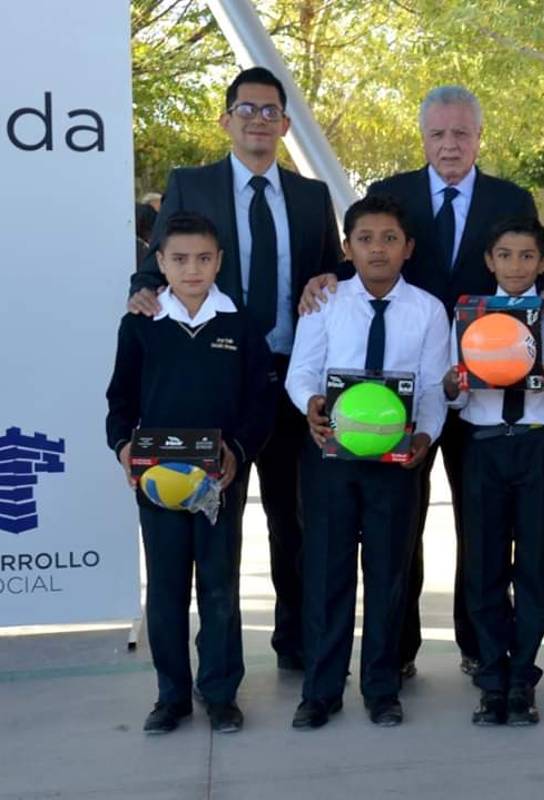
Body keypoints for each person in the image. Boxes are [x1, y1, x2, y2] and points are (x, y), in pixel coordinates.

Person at [300, 85, 544, 679]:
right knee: (402, 522)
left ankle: (481, 648)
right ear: (422, 137)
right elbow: (363, 256)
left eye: (461, 134)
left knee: (481, 530)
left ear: (479, 137)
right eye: (438, 134)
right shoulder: (390, 194)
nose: (450, 145)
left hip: (487, 391)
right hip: (407, 387)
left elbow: (529, 264)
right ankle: (396, 653)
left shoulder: (510, 197)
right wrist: (323, 279)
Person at [128, 67, 343, 673]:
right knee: (215, 517)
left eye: (270, 110)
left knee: (295, 519)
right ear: (226, 120)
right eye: (246, 109)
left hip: (291, 378)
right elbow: (157, 265)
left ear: (284, 123)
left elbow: (332, 273)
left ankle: (295, 644)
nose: (258, 120)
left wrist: (333, 277)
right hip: (215, 382)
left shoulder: (309, 196)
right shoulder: (190, 184)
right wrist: (141, 291)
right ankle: (216, 664)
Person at [106, 212, 275, 735]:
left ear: (219, 261)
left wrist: (238, 452)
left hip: (218, 481)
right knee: (166, 589)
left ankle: (220, 692)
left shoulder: (240, 324)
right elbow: (120, 398)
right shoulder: (141, 323)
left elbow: (261, 403)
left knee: (220, 587)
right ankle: (171, 696)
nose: (192, 269)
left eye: (204, 258)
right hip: (157, 477)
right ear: (159, 263)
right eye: (179, 259)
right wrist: (123, 446)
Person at [285, 195, 449, 729]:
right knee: (328, 573)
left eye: (389, 238)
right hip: (331, 461)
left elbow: (430, 386)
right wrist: (310, 402)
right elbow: (302, 371)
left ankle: (382, 688)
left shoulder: (428, 309)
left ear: (408, 248)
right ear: (347, 248)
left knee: (388, 575)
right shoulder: (326, 302)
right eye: (365, 239)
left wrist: (425, 437)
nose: (377, 249)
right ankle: (321, 691)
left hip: (396, 465)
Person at [443, 218, 544, 726]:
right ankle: (491, 679)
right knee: (482, 564)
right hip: (482, 447)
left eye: (528, 256)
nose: (516, 266)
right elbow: (454, 393)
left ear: (543, 263)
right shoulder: (467, 315)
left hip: (535, 445)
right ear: (490, 261)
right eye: (505, 255)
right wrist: (452, 382)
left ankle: (522, 676)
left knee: (534, 562)